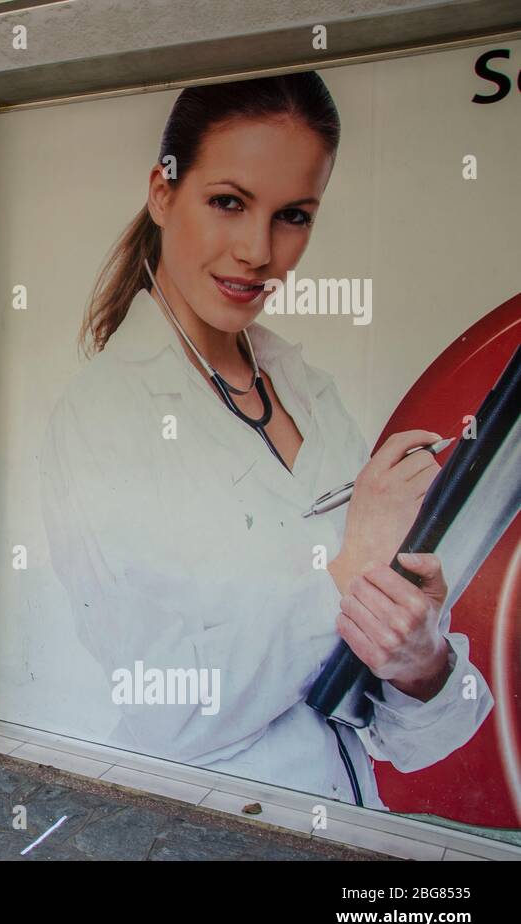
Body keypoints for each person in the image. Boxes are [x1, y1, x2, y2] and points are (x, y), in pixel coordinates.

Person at [41, 72, 492, 808]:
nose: (258, 250)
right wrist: (347, 580)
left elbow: (407, 736)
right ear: (163, 192)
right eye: (228, 202)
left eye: (294, 215)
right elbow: (166, 710)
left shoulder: (308, 390)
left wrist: (420, 661)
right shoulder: (102, 419)